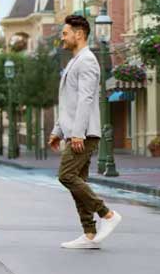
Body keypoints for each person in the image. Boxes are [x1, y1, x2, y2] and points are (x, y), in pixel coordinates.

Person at [49, 15, 122, 250]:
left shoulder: (87, 61)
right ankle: (89, 233)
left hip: (84, 133)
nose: (63, 38)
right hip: (75, 132)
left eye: (65, 33)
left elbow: (85, 99)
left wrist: (78, 134)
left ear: (78, 34)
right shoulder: (74, 61)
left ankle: (107, 214)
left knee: (66, 176)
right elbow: (68, 102)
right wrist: (57, 131)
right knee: (77, 180)